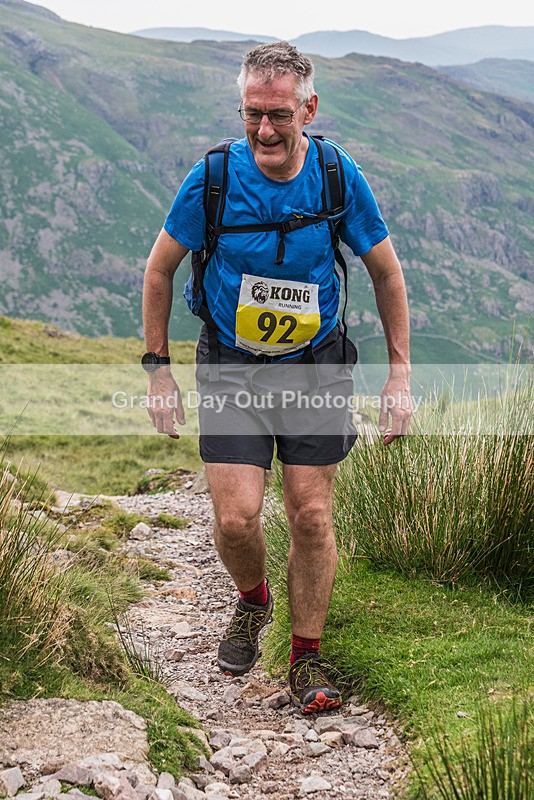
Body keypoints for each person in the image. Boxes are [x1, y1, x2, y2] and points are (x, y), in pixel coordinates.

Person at [142, 41, 412, 714]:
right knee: (236, 520)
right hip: (232, 367)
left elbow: (386, 273)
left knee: (311, 515)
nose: (264, 130)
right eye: (252, 113)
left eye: (279, 115)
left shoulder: (336, 176)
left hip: (316, 367)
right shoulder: (212, 178)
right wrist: (158, 372)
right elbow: (159, 270)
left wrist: (399, 375)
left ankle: (306, 655)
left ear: (308, 110)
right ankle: (253, 599)